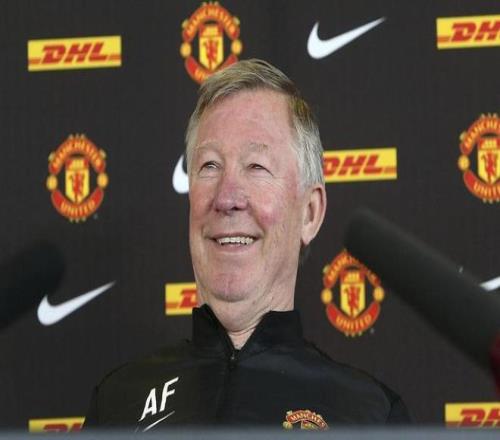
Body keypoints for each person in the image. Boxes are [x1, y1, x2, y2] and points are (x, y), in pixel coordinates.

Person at [83, 59, 410, 430]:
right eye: (209, 166)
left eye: (256, 166)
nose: (227, 198)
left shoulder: (371, 416)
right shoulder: (116, 403)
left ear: (309, 213)